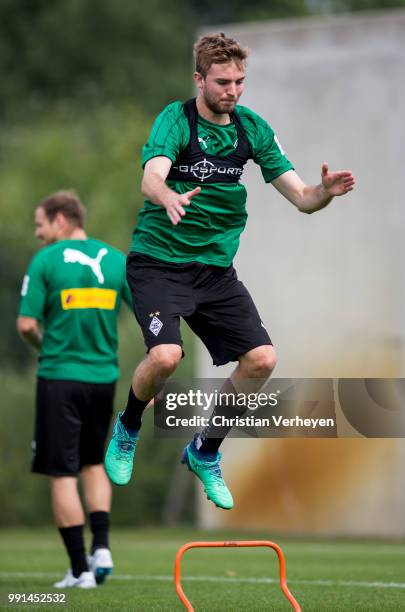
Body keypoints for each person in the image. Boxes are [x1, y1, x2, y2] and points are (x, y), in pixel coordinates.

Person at [104, 33, 355, 510]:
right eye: (223, 82)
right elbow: (150, 176)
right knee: (165, 357)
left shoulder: (252, 129)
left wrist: (323, 192)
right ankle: (128, 427)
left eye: (240, 81)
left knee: (262, 360)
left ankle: (204, 451)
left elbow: (302, 199)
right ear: (199, 79)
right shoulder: (177, 121)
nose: (233, 91)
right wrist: (168, 195)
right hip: (158, 263)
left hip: (215, 272)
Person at [17, 191, 133, 588]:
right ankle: (101, 547)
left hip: (60, 378)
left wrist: (45, 346)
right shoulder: (117, 260)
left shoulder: (46, 261)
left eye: (40, 225)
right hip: (104, 378)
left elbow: (27, 326)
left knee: (61, 472)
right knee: (93, 462)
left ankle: (79, 569)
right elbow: (149, 312)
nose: (38, 234)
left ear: (61, 220)